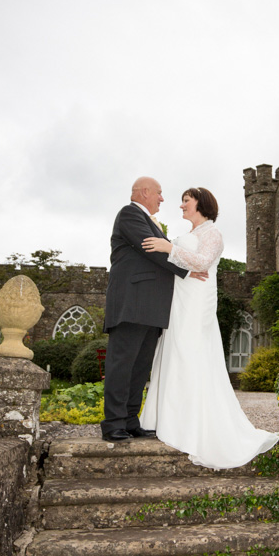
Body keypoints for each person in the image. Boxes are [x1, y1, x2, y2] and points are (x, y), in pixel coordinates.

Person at [140, 186, 279, 469]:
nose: (181, 206)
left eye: (186, 201)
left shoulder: (212, 233)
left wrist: (170, 247)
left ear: (200, 204)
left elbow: (203, 262)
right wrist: (163, 238)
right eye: (181, 202)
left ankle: (193, 426)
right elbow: (179, 261)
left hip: (197, 301)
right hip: (179, 299)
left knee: (191, 353)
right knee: (174, 352)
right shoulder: (189, 236)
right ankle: (167, 419)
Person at [100, 177, 207, 442]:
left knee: (139, 367)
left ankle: (130, 420)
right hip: (131, 303)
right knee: (122, 364)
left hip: (151, 308)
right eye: (159, 193)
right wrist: (188, 268)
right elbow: (152, 250)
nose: (162, 198)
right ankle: (113, 424)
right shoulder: (129, 214)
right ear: (144, 192)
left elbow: (161, 251)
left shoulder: (149, 221)